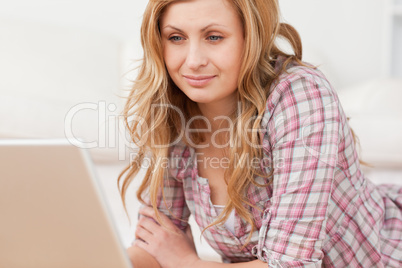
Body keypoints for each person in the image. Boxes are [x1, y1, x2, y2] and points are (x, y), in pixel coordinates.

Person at [118, 0, 402, 267]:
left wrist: (187, 263)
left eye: (214, 37)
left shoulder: (300, 94)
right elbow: (155, 245)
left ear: (251, 37)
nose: (192, 61)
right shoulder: (175, 110)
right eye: (176, 38)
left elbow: (290, 265)